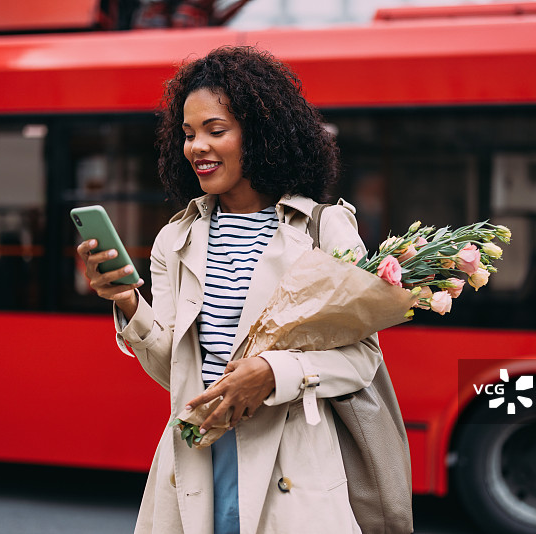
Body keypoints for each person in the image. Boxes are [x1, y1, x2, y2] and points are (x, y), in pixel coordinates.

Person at [77, 46, 382, 534]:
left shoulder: (325, 229)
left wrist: (272, 373)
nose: (197, 146)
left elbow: (362, 361)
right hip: (197, 459)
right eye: (188, 133)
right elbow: (173, 375)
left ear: (260, 135)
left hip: (293, 470)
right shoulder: (175, 239)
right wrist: (128, 303)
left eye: (216, 131)